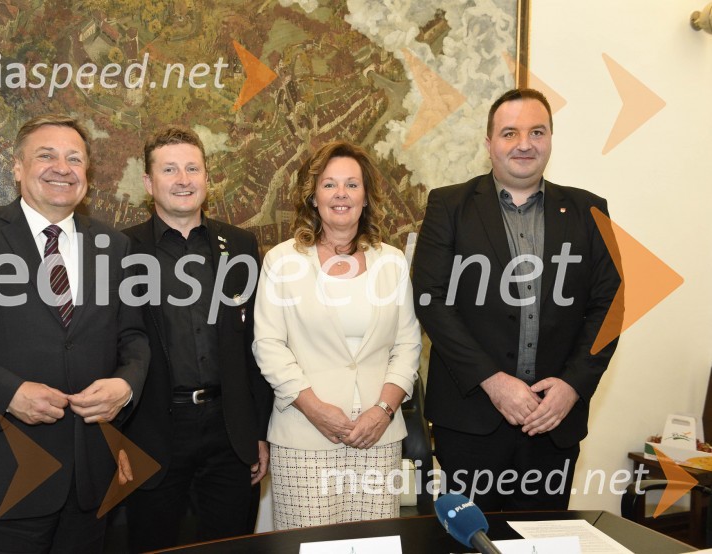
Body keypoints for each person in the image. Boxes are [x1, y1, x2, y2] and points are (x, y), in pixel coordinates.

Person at [0, 114, 150, 553]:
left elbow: (133, 339)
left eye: (75, 158)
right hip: (8, 474)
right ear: (16, 167)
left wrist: (125, 387)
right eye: (46, 155)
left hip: (91, 482)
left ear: (86, 175)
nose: (62, 167)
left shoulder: (115, 246)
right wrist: (9, 393)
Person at [412, 88, 621, 511]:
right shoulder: (448, 205)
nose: (524, 144)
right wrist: (493, 380)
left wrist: (573, 386)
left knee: (542, 541)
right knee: (469, 542)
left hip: (553, 422)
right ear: (489, 144)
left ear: (550, 140)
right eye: (510, 133)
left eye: (536, 132)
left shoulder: (589, 210)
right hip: (470, 422)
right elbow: (430, 299)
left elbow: (610, 307)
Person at [252, 140, 421, 529]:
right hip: (304, 437)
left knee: (376, 545)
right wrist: (316, 410)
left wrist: (383, 411)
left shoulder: (392, 262)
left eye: (351, 184)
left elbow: (408, 344)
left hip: (378, 438)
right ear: (313, 197)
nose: (341, 194)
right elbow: (269, 346)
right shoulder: (282, 261)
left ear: (366, 197)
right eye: (329, 185)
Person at [120, 125, 273, 551]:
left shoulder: (240, 245)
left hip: (230, 432)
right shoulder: (120, 250)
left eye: (192, 168)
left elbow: (256, 348)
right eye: (170, 169)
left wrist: (258, 431)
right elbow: (108, 348)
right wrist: (113, 439)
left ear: (207, 177)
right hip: (152, 432)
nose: (183, 179)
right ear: (149, 183)